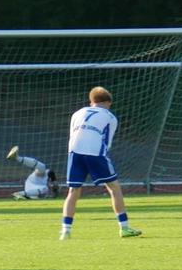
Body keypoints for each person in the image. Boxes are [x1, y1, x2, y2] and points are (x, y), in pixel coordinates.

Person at [59, 86, 141, 240]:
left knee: (73, 191)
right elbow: (107, 142)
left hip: (74, 152)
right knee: (114, 187)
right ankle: (124, 227)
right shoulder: (110, 117)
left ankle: (65, 231)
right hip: (94, 153)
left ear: (92, 102)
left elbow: (72, 134)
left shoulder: (78, 113)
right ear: (108, 103)